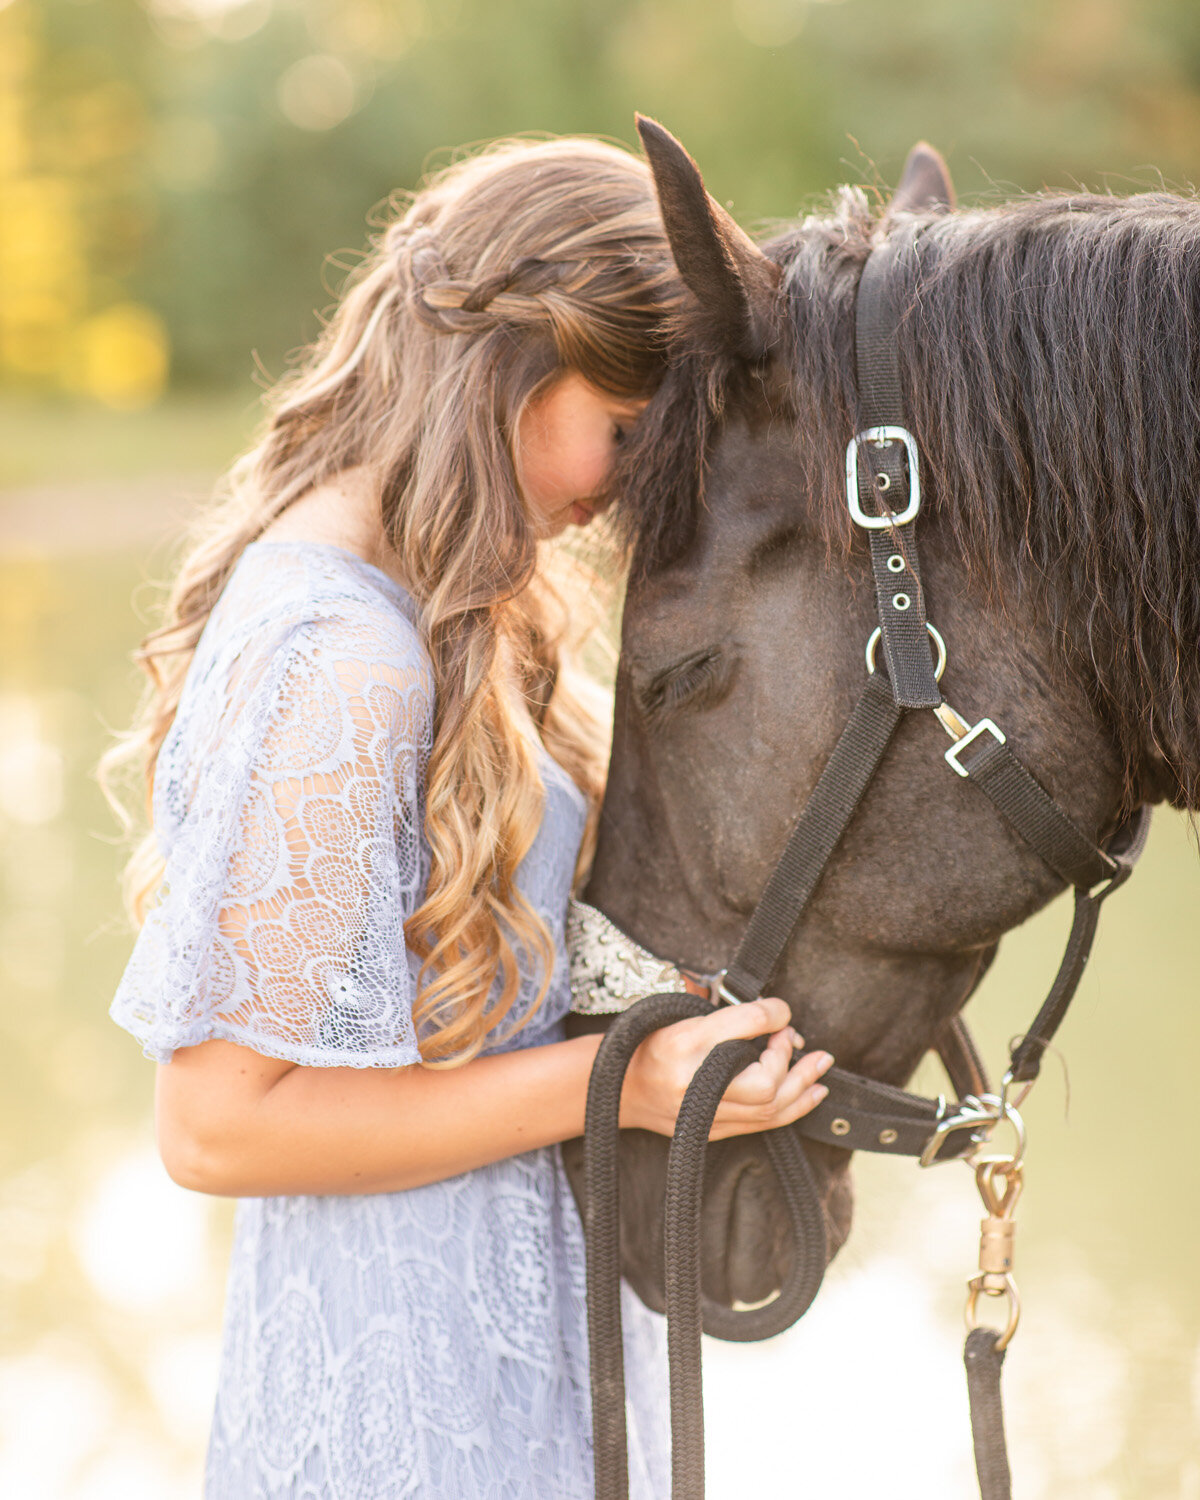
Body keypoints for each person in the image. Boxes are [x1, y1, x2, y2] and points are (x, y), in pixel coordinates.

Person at [101, 131, 835, 1499]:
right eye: (622, 433)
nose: (621, 487)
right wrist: (625, 1084)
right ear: (513, 371)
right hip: (410, 1406)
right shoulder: (341, 654)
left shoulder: (453, 609)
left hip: (507, 1360)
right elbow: (217, 1126)